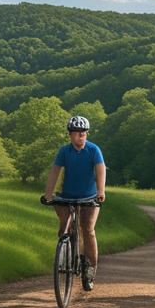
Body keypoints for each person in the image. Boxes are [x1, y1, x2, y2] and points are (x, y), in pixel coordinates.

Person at [42, 115, 106, 291]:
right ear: (70, 135)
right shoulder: (65, 151)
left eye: (83, 133)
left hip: (89, 197)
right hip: (67, 195)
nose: (81, 136)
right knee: (65, 226)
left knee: (88, 229)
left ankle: (90, 267)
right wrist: (48, 193)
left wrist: (100, 192)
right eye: (77, 133)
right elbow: (55, 171)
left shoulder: (93, 150)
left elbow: (100, 170)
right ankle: (67, 254)